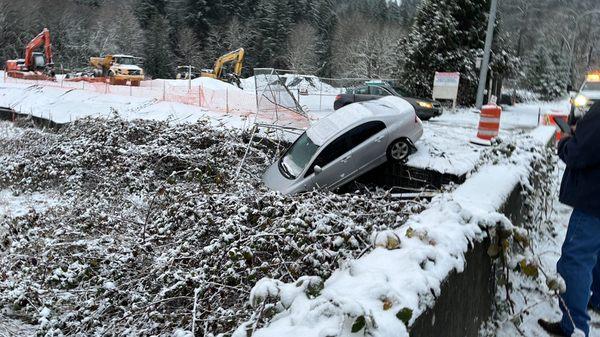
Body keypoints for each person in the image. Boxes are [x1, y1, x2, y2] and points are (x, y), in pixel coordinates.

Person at [539, 101, 600, 336]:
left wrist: (565, 141)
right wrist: (582, 131)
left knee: (575, 261)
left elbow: (579, 153)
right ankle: (597, 300)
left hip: (594, 201)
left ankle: (573, 327)